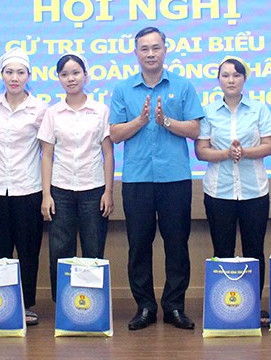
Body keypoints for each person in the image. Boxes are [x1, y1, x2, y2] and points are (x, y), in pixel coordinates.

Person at [110, 26, 204, 331]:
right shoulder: (123, 89)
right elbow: (114, 134)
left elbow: (195, 130)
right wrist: (140, 121)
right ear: (136, 53)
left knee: (177, 243)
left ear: (166, 49)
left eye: (156, 48)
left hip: (174, 177)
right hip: (137, 178)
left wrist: (166, 122)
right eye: (144, 49)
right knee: (139, 245)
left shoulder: (183, 85)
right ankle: (145, 307)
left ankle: (174, 306)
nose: (150, 54)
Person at [194, 57, 271, 328]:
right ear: (219, 80)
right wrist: (227, 153)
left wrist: (243, 152)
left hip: (254, 191)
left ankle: (253, 306)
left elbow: (269, 146)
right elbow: (201, 151)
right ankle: (225, 307)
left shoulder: (259, 109)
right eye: (225, 75)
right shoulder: (208, 111)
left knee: (254, 251)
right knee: (223, 250)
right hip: (219, 192)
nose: (231, 80)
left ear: (244, 79)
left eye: (236, 75)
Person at [39, 54, 115, 304]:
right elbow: (47, 155)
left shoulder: (101, 110)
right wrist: (46, 194)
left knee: (93, 250)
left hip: (94, 189)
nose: (70, 78)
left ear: (85, 75)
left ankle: (92, 304)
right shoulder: (53, 113)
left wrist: (109, 192)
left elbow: (108, 152)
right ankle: (65, 305)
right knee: (61, 252)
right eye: (64, 74)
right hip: (60, 190)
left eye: (75, 73)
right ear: (59, 79)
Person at [0, 48, 48, 326]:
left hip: (28, 187)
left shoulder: (40, 108)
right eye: (9, 72)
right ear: (1, 75)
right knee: (0, 249)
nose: (14, 77)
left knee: (28, 249)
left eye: (20, 72)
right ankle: (3, 303)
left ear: (29, 76)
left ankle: (26, 304)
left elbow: (48, 151)